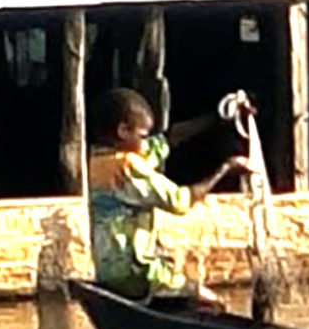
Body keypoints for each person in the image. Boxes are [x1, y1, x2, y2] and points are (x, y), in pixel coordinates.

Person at [86, 87, 252, 312]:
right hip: (139, 273)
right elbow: (179, 201)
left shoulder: (98, 161)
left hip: (109, 273)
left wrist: (216, 117)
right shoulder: (128, 169)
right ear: (124, 132)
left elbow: (165, 141)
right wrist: (224, 170)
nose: (146, 143)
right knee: (213, 303)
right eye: (142, 136)